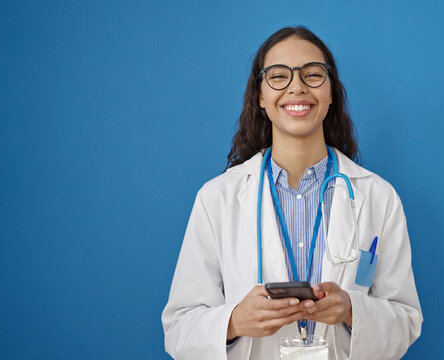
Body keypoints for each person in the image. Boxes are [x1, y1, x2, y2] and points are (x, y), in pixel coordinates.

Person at [162, 26, 422, 359]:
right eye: (278, 76)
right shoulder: (217, 199)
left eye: (313, 75)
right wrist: (233, 321)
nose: (296, 87)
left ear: (331, 93)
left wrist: (352, 310)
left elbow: (406, 319)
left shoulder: (378, 197)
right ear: (260, 96)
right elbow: (179, 327)